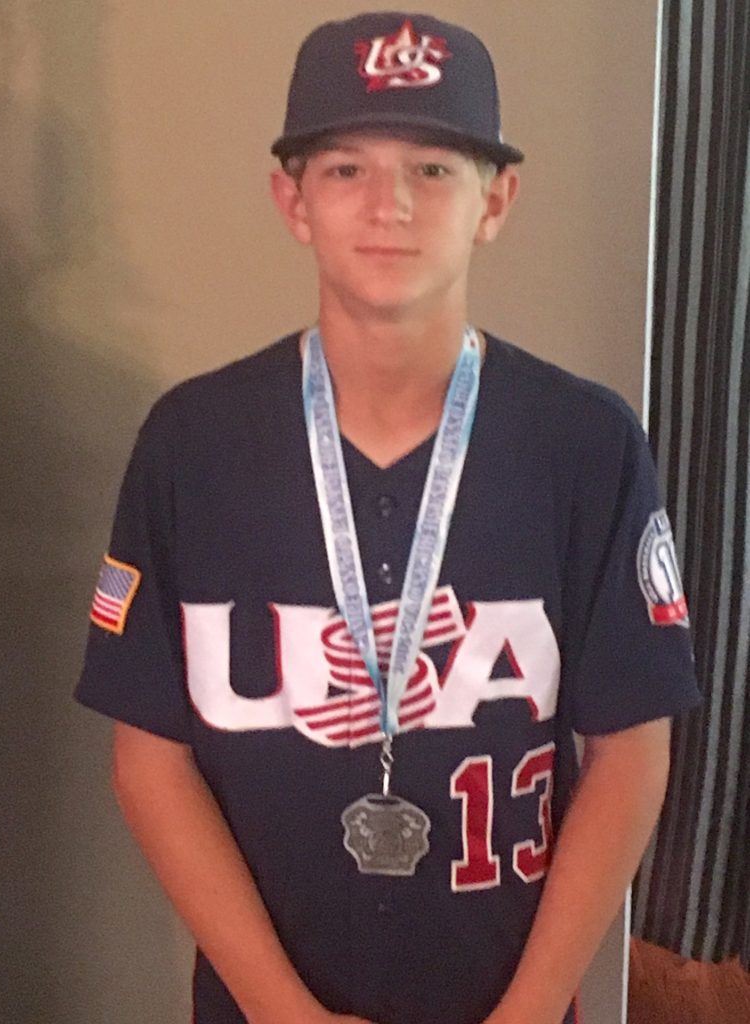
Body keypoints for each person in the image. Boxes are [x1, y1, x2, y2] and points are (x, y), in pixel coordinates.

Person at [76, 12, 701, 1024]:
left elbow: (631, 749)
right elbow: (149, 757)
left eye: (432, 169)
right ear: (292, 200)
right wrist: (283, 1011)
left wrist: (534, 1008)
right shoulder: (191, 442)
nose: (388, 205)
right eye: (343, 170)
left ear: (495, 200)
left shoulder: (582, 443)